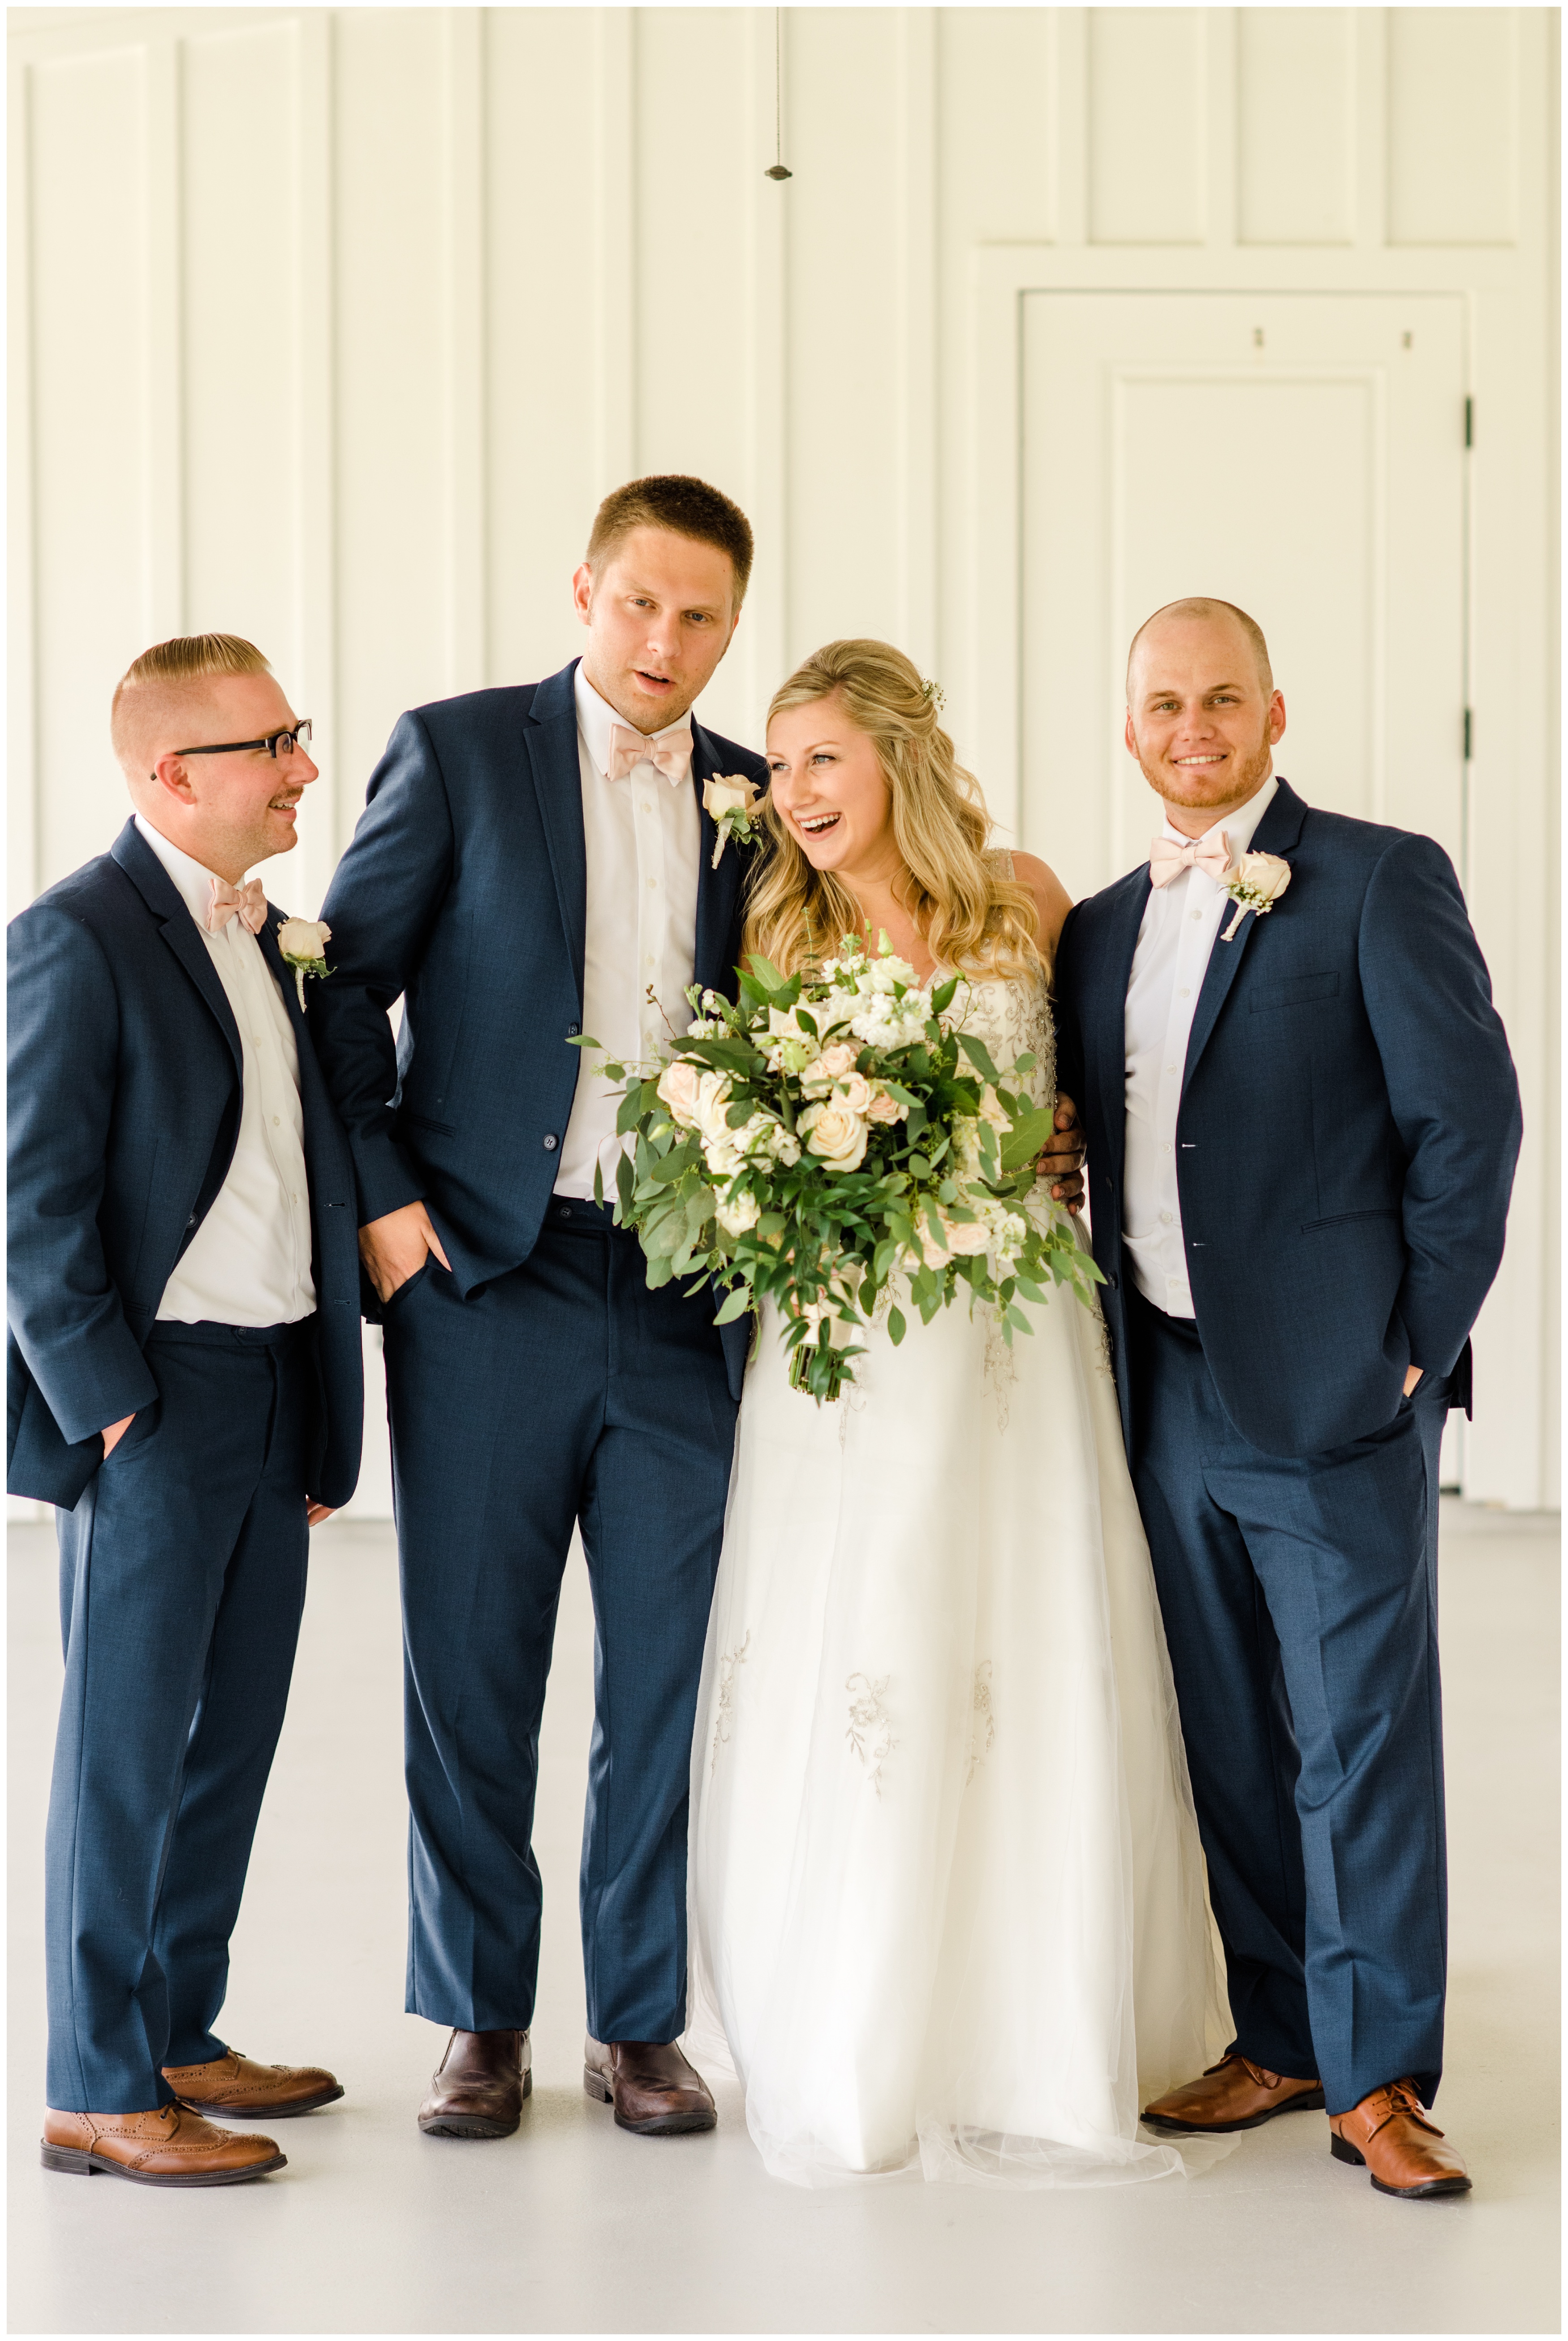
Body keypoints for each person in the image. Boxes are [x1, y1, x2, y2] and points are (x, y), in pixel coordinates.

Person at [685, 637, 1230, 2188]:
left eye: (821, 759)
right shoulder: (778, 930)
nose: (791, 792)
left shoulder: (1027, 901)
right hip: (855, 1335)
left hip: (1020, 1324)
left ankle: (1039, 2016)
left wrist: (1064, 1139)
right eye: (779, 766)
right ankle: (859, 2011)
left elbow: (1111, 1087)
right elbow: (755, 1136)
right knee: (871, 1633)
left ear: (898, 758)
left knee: (1029, 1631)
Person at [1051, 598, 1521, 2201]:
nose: (1192, 728)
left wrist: (1412, 1343)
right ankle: (1281, 2034)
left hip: (1334, 1387)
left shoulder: (1380, 879)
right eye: (1163, 705)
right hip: (1160, 1380)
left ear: (1272, 713)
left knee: (1357, 1735)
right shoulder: (1097, 925)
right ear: (1129, 729)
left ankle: (1378, 2075)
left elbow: (1470, 1124)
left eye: (1221, 700)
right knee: (1229, 1731)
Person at [8, 633, 362, 2187]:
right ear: (170, 773)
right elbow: (32, 1205)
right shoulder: (74, 936)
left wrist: (316, 1393)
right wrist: (110, 1411)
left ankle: (175, 2028)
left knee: (230, 1738)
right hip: (156, 1397)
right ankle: (94, 2086)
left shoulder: (277, 938)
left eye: (296, 735)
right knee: (126, 1751)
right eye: (271, 745)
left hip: (277, 1382)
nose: (302, 767)